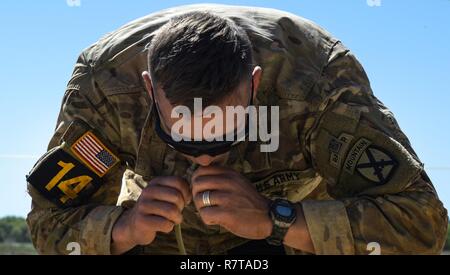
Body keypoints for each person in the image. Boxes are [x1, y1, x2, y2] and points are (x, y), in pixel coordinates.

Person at [26, 4, 448, 255]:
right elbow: (50, 226)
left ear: (256, 84)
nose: (205, 158)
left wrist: (277, 219)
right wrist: (123, 229)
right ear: (149, 91)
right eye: (183, 138)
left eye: (226, 134)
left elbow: (420, 226)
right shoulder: (104, 86)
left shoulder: (318, 80)